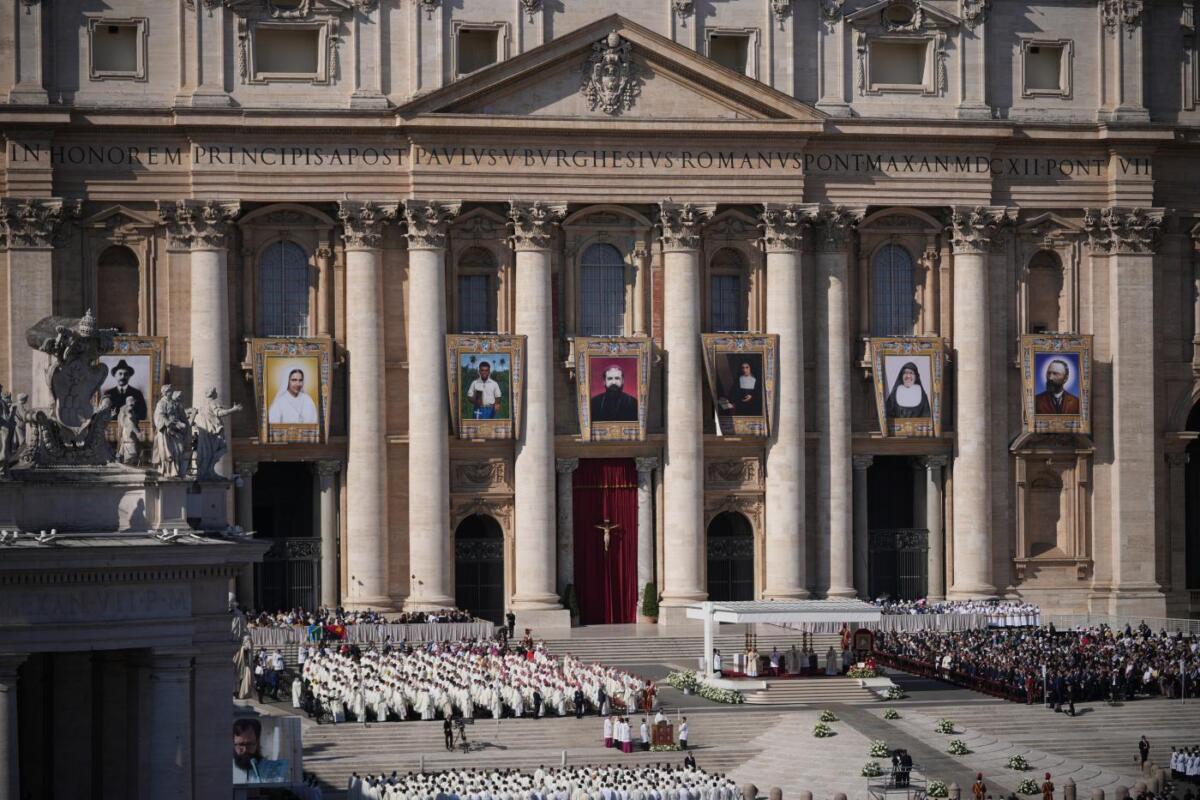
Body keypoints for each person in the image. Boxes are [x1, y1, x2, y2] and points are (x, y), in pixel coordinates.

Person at [192, 386, 242, 480]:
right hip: (212, 433)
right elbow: (219, 413)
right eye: (215, 392)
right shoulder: (212, 403)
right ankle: (208, 471)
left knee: (208, 452)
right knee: (221, 448)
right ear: (212, 394)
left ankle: (207, 471)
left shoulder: (203, 406)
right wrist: (234, 409)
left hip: (206, 432)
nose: (217, 394)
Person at [232, 718, 287, 784]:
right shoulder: (223, 772)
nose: (245, 749)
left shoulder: (277, 770)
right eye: (241, 744)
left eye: (250, 744)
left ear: (257, 743)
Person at [103, 359, 147, 423]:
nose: (123, 377)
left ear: (129, 376)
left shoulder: (137, 393)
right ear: (115, 375)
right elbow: (103, 413)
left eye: (126, 374)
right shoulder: (108, 393)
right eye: (120, 374)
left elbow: (143, 413)